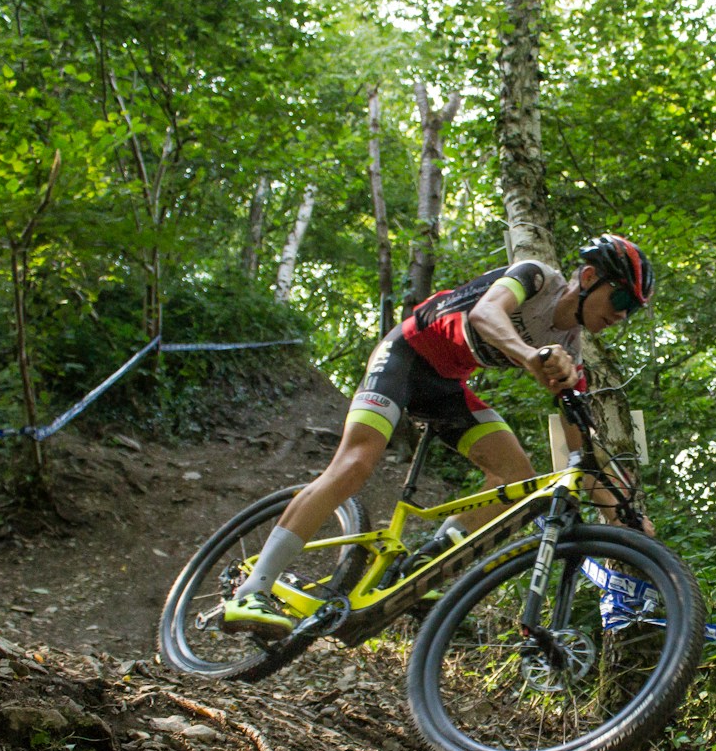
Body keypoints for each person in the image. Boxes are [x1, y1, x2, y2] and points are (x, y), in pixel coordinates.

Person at [221, 234, 656, 638]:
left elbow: (580, 451)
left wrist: (626, 521)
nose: (621, 314)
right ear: (588, 277)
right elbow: (487, 313)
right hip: (403, 357)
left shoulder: (571, 351)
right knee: (355, 465)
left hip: (444, 386)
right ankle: (253, 589)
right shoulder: (536, 278)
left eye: (631, 310)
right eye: (620, 298)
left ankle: (421, 566)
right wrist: (530, 356)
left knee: (516, 480)